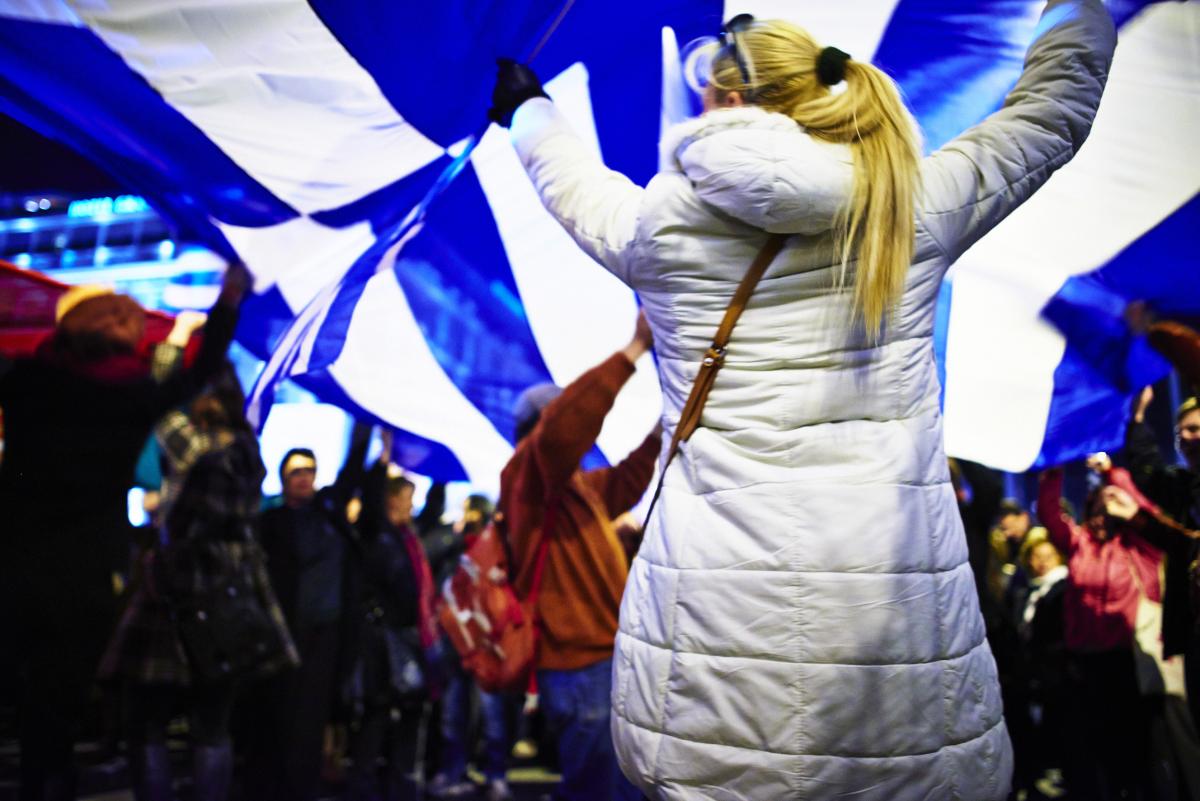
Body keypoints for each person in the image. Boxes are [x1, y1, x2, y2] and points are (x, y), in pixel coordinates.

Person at [490, 0, 1116, 796]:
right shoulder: (907, 204)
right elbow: (1053, 113)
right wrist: (1076, 11)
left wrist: (529, 109)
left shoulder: (658, 227)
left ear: (725, 99)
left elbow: (567, 181)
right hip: (891, 644)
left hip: (712, 644)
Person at [0, 264, 248, 801]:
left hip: (16, 557)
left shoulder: (28, 382)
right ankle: (50, 781)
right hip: (90, 572)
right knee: (60, 703)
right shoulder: (132, 398)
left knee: (20, 693)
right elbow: (198, 371)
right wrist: (227, 301)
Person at [99, 362, 298, 801]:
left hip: (180, 589)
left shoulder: (193, 444)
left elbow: (160, 406)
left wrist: (173, 355)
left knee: (146, 721)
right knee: (213, 724)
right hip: (235, 596)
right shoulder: (249, 451)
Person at [500, 313, 661, 801]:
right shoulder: (525, 475)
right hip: (579, 668)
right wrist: (634, 349)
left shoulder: (576, 490)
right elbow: (563, 429)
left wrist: (666, 424)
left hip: (603, 660)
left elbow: (628, 479)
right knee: (604, 790)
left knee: (620, 785)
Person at [1037, 466, 1185, 799]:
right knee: (1097, 749)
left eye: (1109, 512)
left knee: (1138, 748)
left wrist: (1113, 475)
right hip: (1086, 664)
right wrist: (1054, 471)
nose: (1102, 519)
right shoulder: (1079, 544)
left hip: (1130, 662)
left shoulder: (1140, 548)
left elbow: (1147, 512)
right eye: (1096, 512)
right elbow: (1049, 514)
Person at [244, 422, 372, 801]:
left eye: (309, 471)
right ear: (283, 478)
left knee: (312, 718)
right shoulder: (269, 523)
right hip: (282, 632)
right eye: (296, 471)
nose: (304, 478)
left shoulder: (329, 515)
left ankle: (302, 788)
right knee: (278, 715)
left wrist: (364, 424)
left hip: (325, 633)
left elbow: (352, 472)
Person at [345, 432, 440, 801]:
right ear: (390, 500)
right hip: (380, 643)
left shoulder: (408, 538)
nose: (411, 506)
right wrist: (382, 457)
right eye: (406, 498)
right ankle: (364, 788)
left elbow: (432, 509)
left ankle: (401, 787)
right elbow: (370, 495)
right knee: (377, 715)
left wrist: (441, 469)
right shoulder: (376, 533)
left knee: (408, 715)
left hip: (406, 638)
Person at [1127, 387, 1200, 728]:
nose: (1187, 438)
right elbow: (1149, 474)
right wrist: (1138, 417)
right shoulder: (1184, 487)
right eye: (1181, 432)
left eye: (1195, 429)